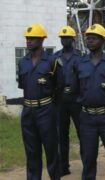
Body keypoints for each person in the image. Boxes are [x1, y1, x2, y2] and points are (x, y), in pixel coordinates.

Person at [74, 24, 105, 180]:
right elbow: (76, 90)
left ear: (103, 40)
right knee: (88, 159)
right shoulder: (80, 63)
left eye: (94, 38)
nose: (90, 41)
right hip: (87, 118)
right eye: (88, 38)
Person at [18, 23, 60, 180]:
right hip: (28, 111)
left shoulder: (52, 61)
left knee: (51, 150)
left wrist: (50, 106)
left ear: (42, 40)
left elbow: (59, 86)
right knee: (31, 151)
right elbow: (23, 85)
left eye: (32, 38)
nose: (28, 41)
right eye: (27, 38)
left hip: (46, 110)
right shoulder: (22, 62)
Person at [54, 25, 83, 176]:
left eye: (67, 38)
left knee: (82, 133)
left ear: (73, 39)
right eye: (62, 38)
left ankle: (87, 164)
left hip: (76, 100)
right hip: (60, 101)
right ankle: (63, 167)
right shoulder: (55, 57)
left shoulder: (80, 57)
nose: (64, 40)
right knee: (61, 135)